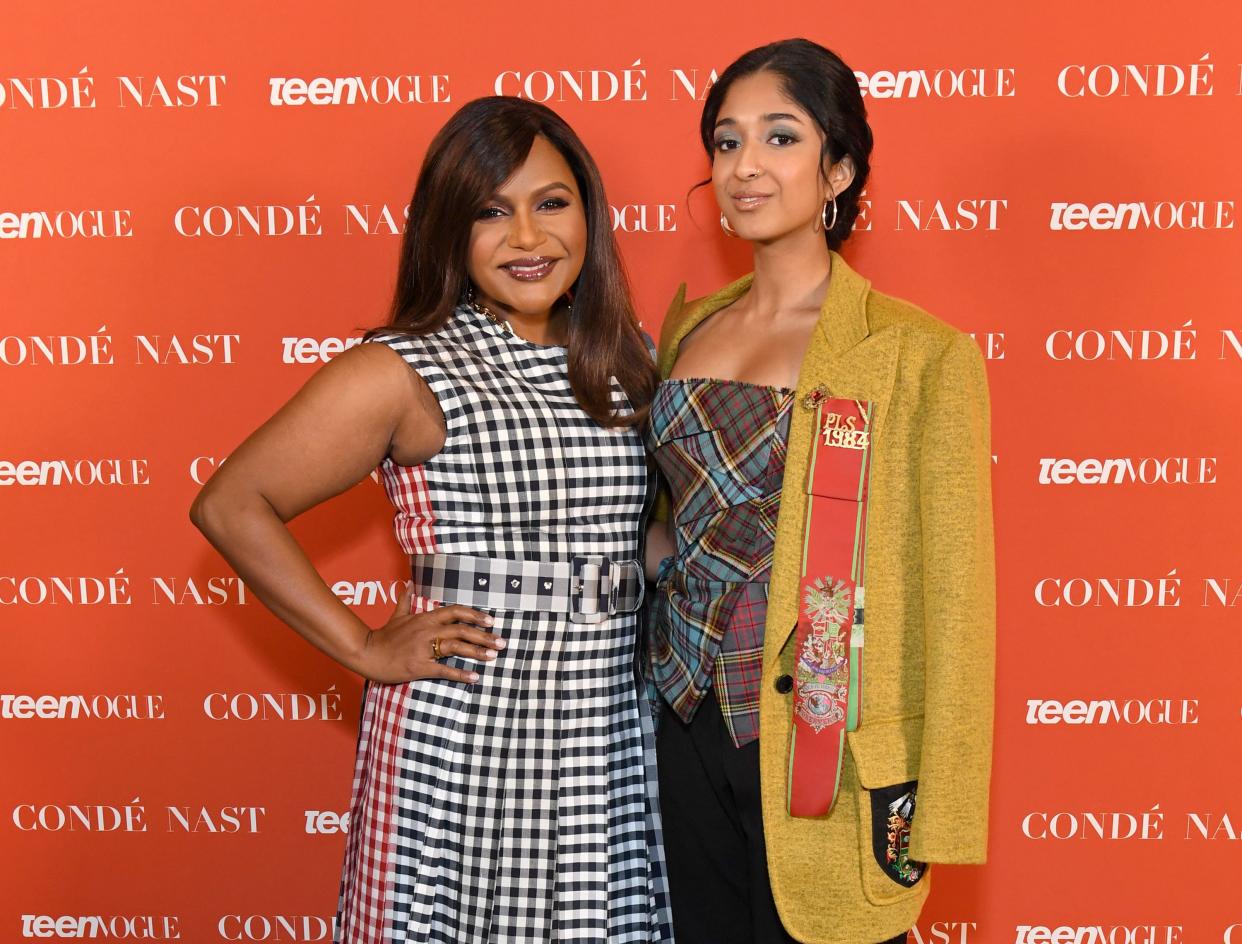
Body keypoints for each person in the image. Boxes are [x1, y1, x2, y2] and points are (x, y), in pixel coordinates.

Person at [191, 96, 673, 944]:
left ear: (589, 216)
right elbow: (232, 503)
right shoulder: (405, 367)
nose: (528, 237)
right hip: (468, 730)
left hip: (605, 732)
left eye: (551, 203)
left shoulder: (628, 357)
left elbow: (640, 541)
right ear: (449, 230)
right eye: (492, 211)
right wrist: (365, 647)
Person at [645, 39, 995, 944]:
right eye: (726, 143)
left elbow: (957, 598)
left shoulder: (919, 354)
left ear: (838, 167)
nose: (746, 166)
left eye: (780, 138)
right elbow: (669, 525)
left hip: (823, 745)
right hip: (679, 725)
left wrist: (943, 812)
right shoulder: (686, 327)